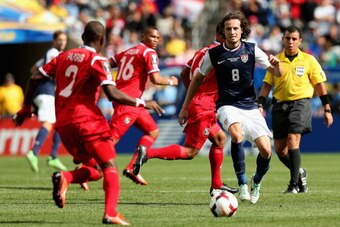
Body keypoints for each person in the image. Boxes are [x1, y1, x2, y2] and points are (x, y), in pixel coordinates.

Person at [14, 20, 164, 225]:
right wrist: (141, 101)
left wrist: (25, 108)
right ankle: (110, 213)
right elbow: (112, 94)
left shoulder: (62, 56)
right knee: (109, 165)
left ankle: (66, 177)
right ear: (101, 40)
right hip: (87, 122)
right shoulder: (97, 60)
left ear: (83, 37)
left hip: (64, 125)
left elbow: (34, 77)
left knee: (97, 169)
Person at [169, 11, 282, 204]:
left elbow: (277, 73)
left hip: (250, 106)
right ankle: (243, 184)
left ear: (242, 30)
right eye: (228, 29)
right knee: (236, 136)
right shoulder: (214, 54)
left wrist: (277, 65)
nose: (232, 32)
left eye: (235, 28)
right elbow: (196, 79)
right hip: (226, 105)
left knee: (266, 151)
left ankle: (256, 182)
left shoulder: (252, 49)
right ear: (223, 31)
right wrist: (185, 106)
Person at [131, 22, 239, 195]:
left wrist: (192, 98)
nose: (233, 35)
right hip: (204, 106)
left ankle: (217, 184)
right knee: (190, 151)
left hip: (201, 103)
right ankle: (148, 153)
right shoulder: (221, 54)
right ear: (221, 35)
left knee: (219, 139)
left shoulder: (202, 50)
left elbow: (183, 73)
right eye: (229, 31)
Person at [258, 25, 334, 194]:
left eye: (294, 39)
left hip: (300, 103)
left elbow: (320, 86)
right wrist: (260, 103)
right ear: (283, 40)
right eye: (287, 38)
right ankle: (300, 172)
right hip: (279, 105)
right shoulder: (276, 60)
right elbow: (266, 85)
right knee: (279, 149)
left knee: (293, 140)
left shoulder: (309, 60)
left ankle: (294, 185)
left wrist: (327, 109)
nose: (290, 42)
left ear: (300, 41)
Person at [108, 26, 179, 185]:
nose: (155, 40)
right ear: (143, 35)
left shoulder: (128, 51)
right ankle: (82, 171)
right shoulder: (148, 53)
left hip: (132, 102)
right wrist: (171, 81)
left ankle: (132, 167)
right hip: (128, 102)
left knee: (153, 131)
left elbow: (107, 63)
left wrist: (111, 83)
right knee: (109, 142)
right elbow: (155, 79)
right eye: (152, 36)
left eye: (158, 37)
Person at [26, 30, 68, 172]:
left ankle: (53, 156)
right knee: (48, 124)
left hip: (44, 93)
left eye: (64, 40)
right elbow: (54, 69)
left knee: (59, 124)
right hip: (46, 93)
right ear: (54, 40)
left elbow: (33, 69)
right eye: (60, 39)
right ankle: (34, 152)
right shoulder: (53, 52)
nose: (62, 42)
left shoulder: (48, 53)